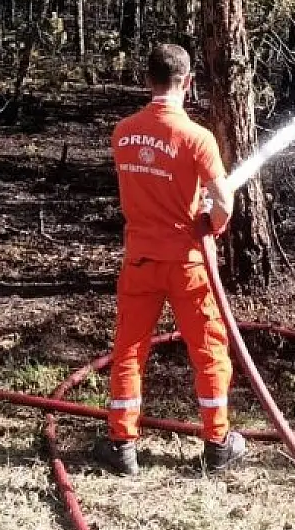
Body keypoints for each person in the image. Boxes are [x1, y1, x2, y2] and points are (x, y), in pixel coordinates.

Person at [95, 44, 245, 476]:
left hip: (139, 258)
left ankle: (122, 445)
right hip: (188, 264)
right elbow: (224, 199)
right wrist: (211, 223)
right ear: (188, 82)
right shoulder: (198, 138)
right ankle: (217, 444)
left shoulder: (122, 132)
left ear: (148, 80)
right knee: (208, 350)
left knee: (129, 349)